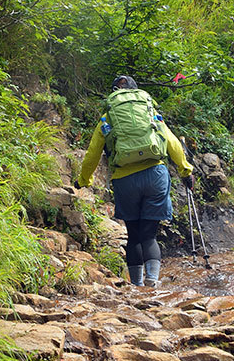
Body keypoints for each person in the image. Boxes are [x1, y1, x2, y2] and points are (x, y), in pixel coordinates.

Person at [75, 75, 194, 287]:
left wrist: (84, 180)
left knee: (134, 235)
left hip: (124, 179)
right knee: (149, 235)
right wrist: (185, 171)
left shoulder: (108, 118)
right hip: (154, 174)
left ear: (114, 93)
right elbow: (172, 143)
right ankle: (152, 283)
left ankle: (137, 287)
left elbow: (93, 152)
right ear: (136, 91)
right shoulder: (150, 113)